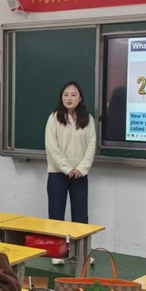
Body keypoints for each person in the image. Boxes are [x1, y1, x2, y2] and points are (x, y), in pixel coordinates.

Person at [44, 81, 96, 264]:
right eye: (66, 95)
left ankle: (80, 254)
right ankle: (57, 254)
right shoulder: (54, 118)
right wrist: (67, 168)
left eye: (73, 95)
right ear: (61, 97)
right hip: (57, 174)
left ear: (80, 98)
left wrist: (80, 169)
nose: (69, 98)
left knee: (80, 216)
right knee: (56, 214)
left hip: (80, 175)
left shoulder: (88, 119)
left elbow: (91, 146)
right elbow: (52, 147)